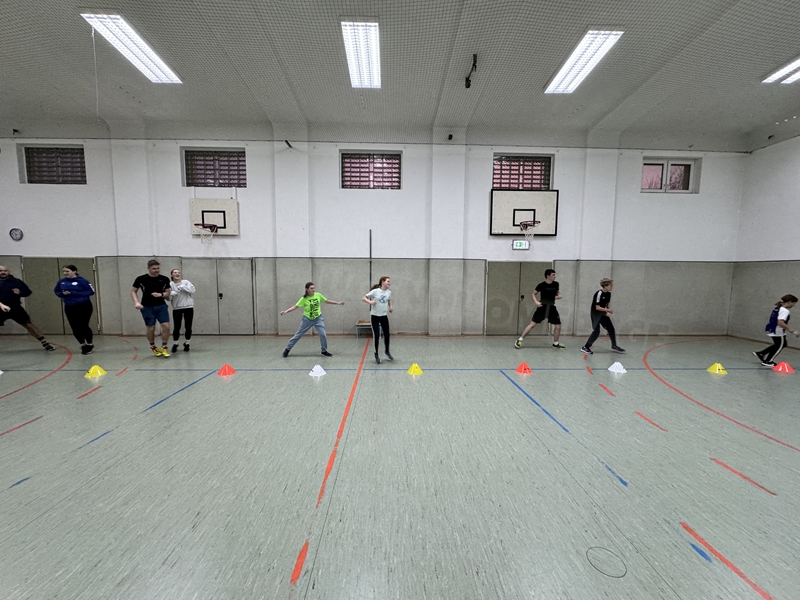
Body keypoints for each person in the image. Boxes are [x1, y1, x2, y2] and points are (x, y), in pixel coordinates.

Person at [280, 282, 344, 357]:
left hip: (318, 318)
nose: (313, 290)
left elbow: (326, 301)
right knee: (299, 334)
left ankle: (324, 351)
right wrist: (286, 311)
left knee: (323, 334)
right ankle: (287, 349)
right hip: (307, 319)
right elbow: (295, 306)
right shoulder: (304, 299)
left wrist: (338, 303)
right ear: (307, 289)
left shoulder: (318, 295)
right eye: (311, 288)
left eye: (314, 288)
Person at [0, 264, 55, 351]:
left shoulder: (16, 281)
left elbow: (28, 292)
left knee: (28, 324)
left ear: (8, 272)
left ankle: (44, 342)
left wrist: (19, 292)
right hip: (0, 308)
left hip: (15, 308)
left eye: (5, 271)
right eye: (0, 271)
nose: (3, 272)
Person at [514, 268, 565, 349]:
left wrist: (559, 296)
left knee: (558, 325)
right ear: (548, 276)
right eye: (553, 275)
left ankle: (556, 343)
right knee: (532, 324)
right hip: (542, 307)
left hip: (552, 307)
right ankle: (520, 340)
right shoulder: (541, 285)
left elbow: (557, 293)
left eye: (555, 275)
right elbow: (533, 294)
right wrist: (536, 302)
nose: (555, 276)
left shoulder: (556, 284)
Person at [131, 259, 172, 357]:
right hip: (147, 307)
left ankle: (164, 346)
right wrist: (136, 302)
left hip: (161, 306)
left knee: (166, 326)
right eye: (154, 269)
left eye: (158, 268)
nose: (156, 270)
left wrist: (161, 294)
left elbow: (168, 292)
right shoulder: (141, 279)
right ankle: (153, 346)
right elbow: (133, 291)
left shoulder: (164, 279)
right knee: (151, 328)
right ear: (148, 268)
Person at [54, 265, 96, 355]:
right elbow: (57, 291)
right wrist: (62, 294)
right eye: (64, 271)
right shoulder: (61, 282)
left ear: (74, 271)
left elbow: (91, 291)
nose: (65, 273)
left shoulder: (82, 281)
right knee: (74, 326)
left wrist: (74, 293)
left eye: (67, 271)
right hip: (69, 306)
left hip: (83, 305)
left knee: (84, 325)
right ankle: (82, 344)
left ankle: (89, 343)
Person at [580, 278, 625, 355]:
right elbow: (597, 307)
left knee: (611, 328)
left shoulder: (608, 294)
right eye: (610, 285)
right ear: (605, 286)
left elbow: (607, 304)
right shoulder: (599, 293)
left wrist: (608, 311)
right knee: (596, 331)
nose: (612, 287)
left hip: (602, 314)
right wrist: (607, 310)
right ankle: (585, 347)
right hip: (595, 314)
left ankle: (614, 345)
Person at [753, 294, 799, 367]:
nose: (793, 305)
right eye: (793, 303)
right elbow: (780, 322)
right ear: (789, 302)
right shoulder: (785, 311)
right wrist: (791, 330)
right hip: (777, 330)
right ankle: (768, 361)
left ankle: (761, 353)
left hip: (771, 328)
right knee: (780, 345)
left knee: (780, 344)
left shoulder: (777, 308)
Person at [362, 276, 393, 364]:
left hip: (384, 316)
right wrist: (370, 302)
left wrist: (390, 306)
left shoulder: (389, 292)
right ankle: (376, 354)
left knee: (387, 334)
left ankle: (387, 351)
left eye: (389, 281)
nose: (389, 283)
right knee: (376, 335)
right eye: (388, 281)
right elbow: (363, 298)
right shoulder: (375, 291)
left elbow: (389, 299)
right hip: (375, 316)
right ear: (383, 282)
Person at [169, 269, 195, 353]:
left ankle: (187, 343)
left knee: (188, 326)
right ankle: (175, 344)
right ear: (172, 275)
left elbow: (193, 290)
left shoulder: (186, 282)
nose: (177, 274)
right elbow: (168, 298)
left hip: (188, 307)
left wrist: (183, 287)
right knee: (177, 327)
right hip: (177, 308)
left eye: (178, 272)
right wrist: (171, 293)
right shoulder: (170, 284)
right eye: (175, 273)